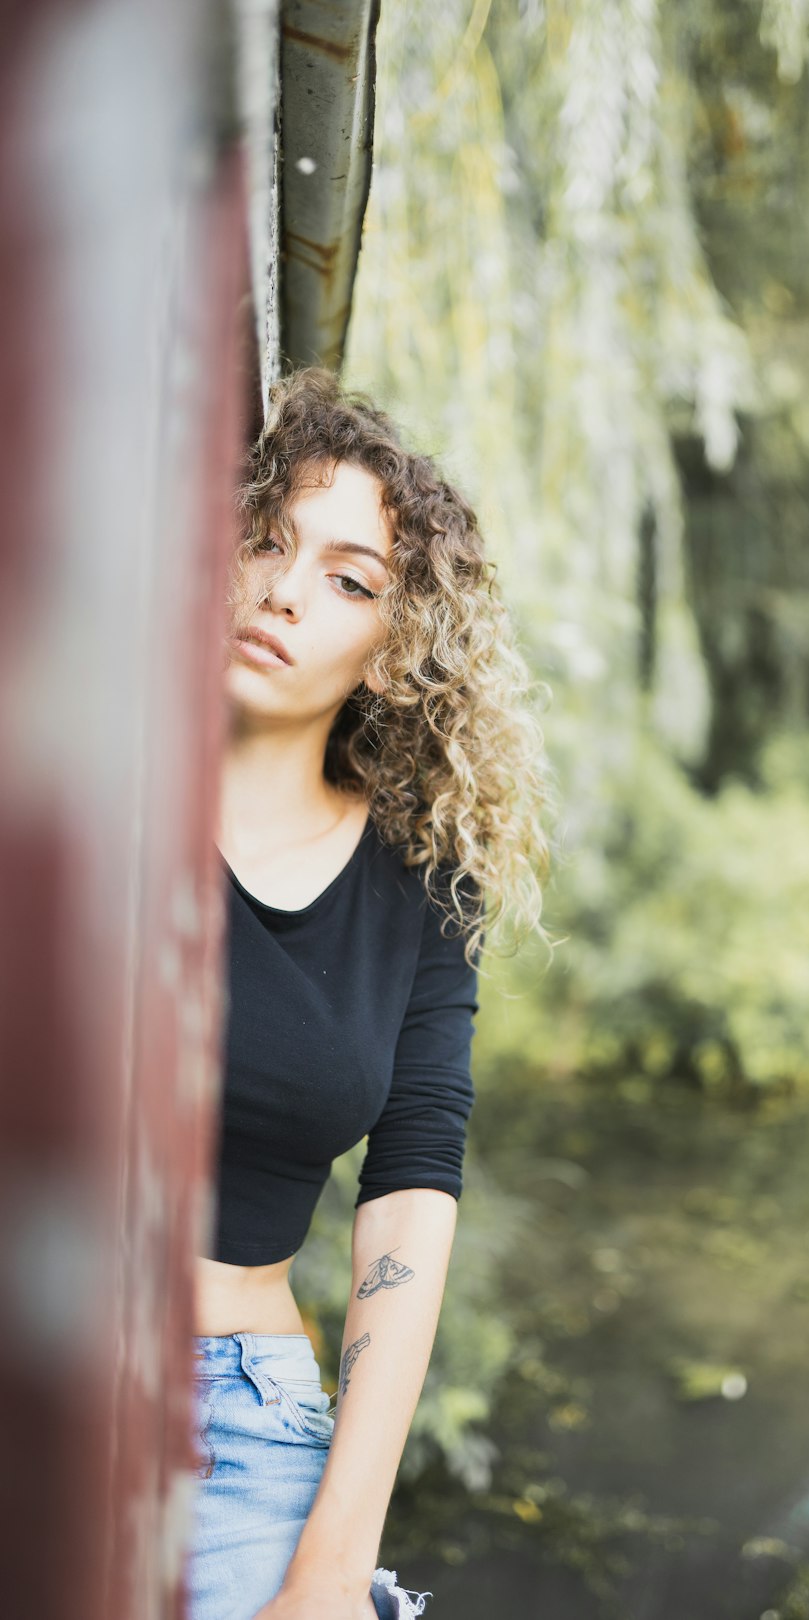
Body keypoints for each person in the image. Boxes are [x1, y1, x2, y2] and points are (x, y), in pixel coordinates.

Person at [185, 366, 550, 1620]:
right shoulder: (71, 783)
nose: (285, 590)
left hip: (235, 1419)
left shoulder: (423, 893)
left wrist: (333, 1566)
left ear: (394, 655)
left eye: (348, 579)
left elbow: (408, 1196)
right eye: (266, 541)